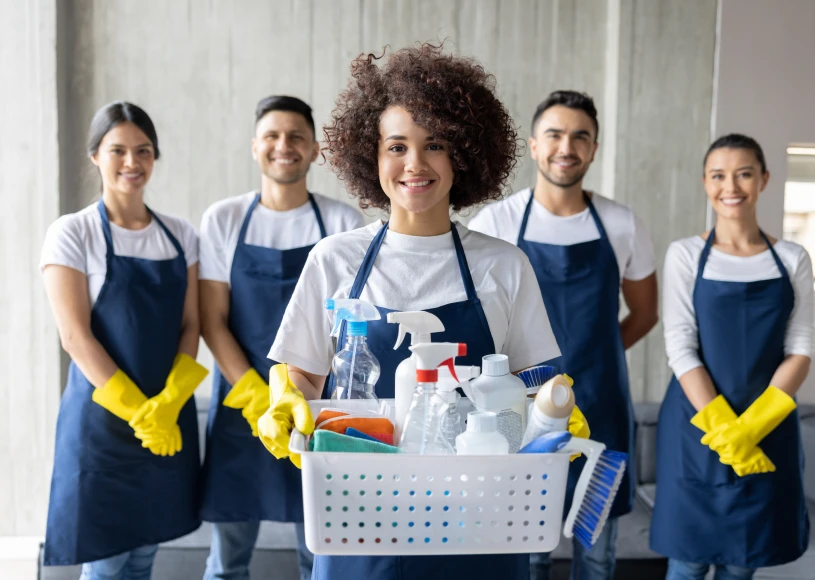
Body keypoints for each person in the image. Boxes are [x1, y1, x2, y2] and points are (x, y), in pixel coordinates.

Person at [255, 43, 590, 580]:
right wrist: (285, 396)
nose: (415, 164)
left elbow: (534, 380)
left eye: (435, 144)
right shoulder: (333, 259)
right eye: (397, 146)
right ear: (371, 156)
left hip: (481, 526)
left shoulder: (503, 265)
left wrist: (555, 406)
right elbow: (305, 376)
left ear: (464, 155)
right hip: (358, 520)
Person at [468, 90, 658, 580]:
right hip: (523, 409)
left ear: (593, 149)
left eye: (580, 136)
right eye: (554, 135)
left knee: (596, 548)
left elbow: (644, 313)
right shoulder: (497, 222)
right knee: (528, 547)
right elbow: (478, 318)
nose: (566, 147)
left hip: (602, 404)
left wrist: (597, 355)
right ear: (534, 145)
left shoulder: (622, 224)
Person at [197, 95, 364, 580]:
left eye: (296, 137)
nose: (283, 146)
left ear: (314, 150)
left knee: (320, 554)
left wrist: (300, 398)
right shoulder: (224, 220)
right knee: (227, 560)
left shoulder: (342, 223)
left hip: (315, 405)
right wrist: (256, 396)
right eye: (272, 136)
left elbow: (347, 324)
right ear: (255, 147)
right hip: (242, 403)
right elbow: (212, 319)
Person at [40, 101, 207, 579]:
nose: (132, 162)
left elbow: (191, 325)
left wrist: (169, 404)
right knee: (107, 564)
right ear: (95, 155)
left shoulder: (180, 235)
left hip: (167, 419)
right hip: (104, 425)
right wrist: (140, 412)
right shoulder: (73, 233)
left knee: (144, 556)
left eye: (144, 150)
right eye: (118, 150)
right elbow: (75, 336)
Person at [651, 134, 812, 580]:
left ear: (764, 179)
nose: (731, 186)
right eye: (718, 175)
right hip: (697, 427)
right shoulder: (685, 254)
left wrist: (752, 428)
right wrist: (724, 429)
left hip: (769, 428)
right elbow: (680, 345)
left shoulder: (793, 258)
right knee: (687, 562)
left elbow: (802, 348)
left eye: (744, 174)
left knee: (742, 564)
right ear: (705, 182)